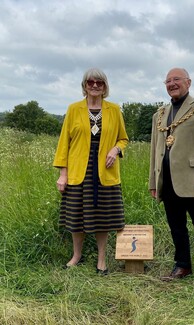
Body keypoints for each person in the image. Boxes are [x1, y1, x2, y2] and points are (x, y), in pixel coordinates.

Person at [149, 68, 194, 285]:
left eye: (176, 79)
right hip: (168, 183)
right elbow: (155, 150)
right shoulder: (159, 114)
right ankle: (182, 266)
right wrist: (154, 183)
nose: (172, 83)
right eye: (168, 81)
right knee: (177, 227)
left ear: (188, 83)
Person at [53, 68, 128, 274]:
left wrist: (116, 149)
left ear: (105, 87)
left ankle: (102, 259)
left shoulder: (114, 110)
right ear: (84, 85)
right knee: (76, 216)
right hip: (79, 171)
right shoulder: (74, 109)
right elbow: (63, 144)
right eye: (90, 82)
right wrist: (63, 173)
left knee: (102, 216)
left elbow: (123, 138)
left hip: (105, 171)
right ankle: (77, 255)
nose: (95, 85)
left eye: (99, 83)